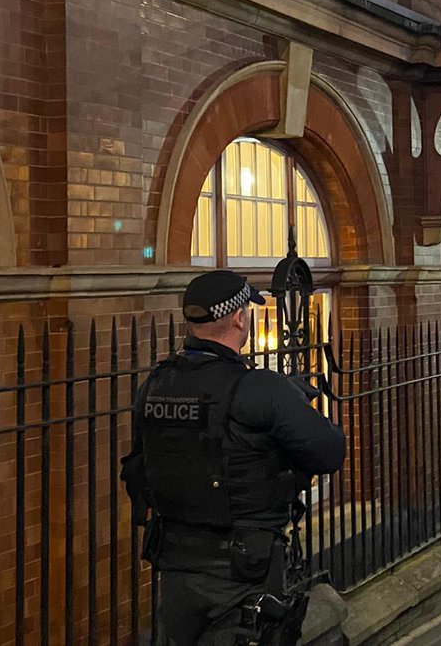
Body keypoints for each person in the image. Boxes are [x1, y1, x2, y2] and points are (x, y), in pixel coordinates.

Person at [122, 270, 346, 646]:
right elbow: (329, 451)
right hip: (244, 568)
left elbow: (139, 469)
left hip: (176, 562)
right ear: (240, 318)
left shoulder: (156, 384)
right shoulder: (259, 387)